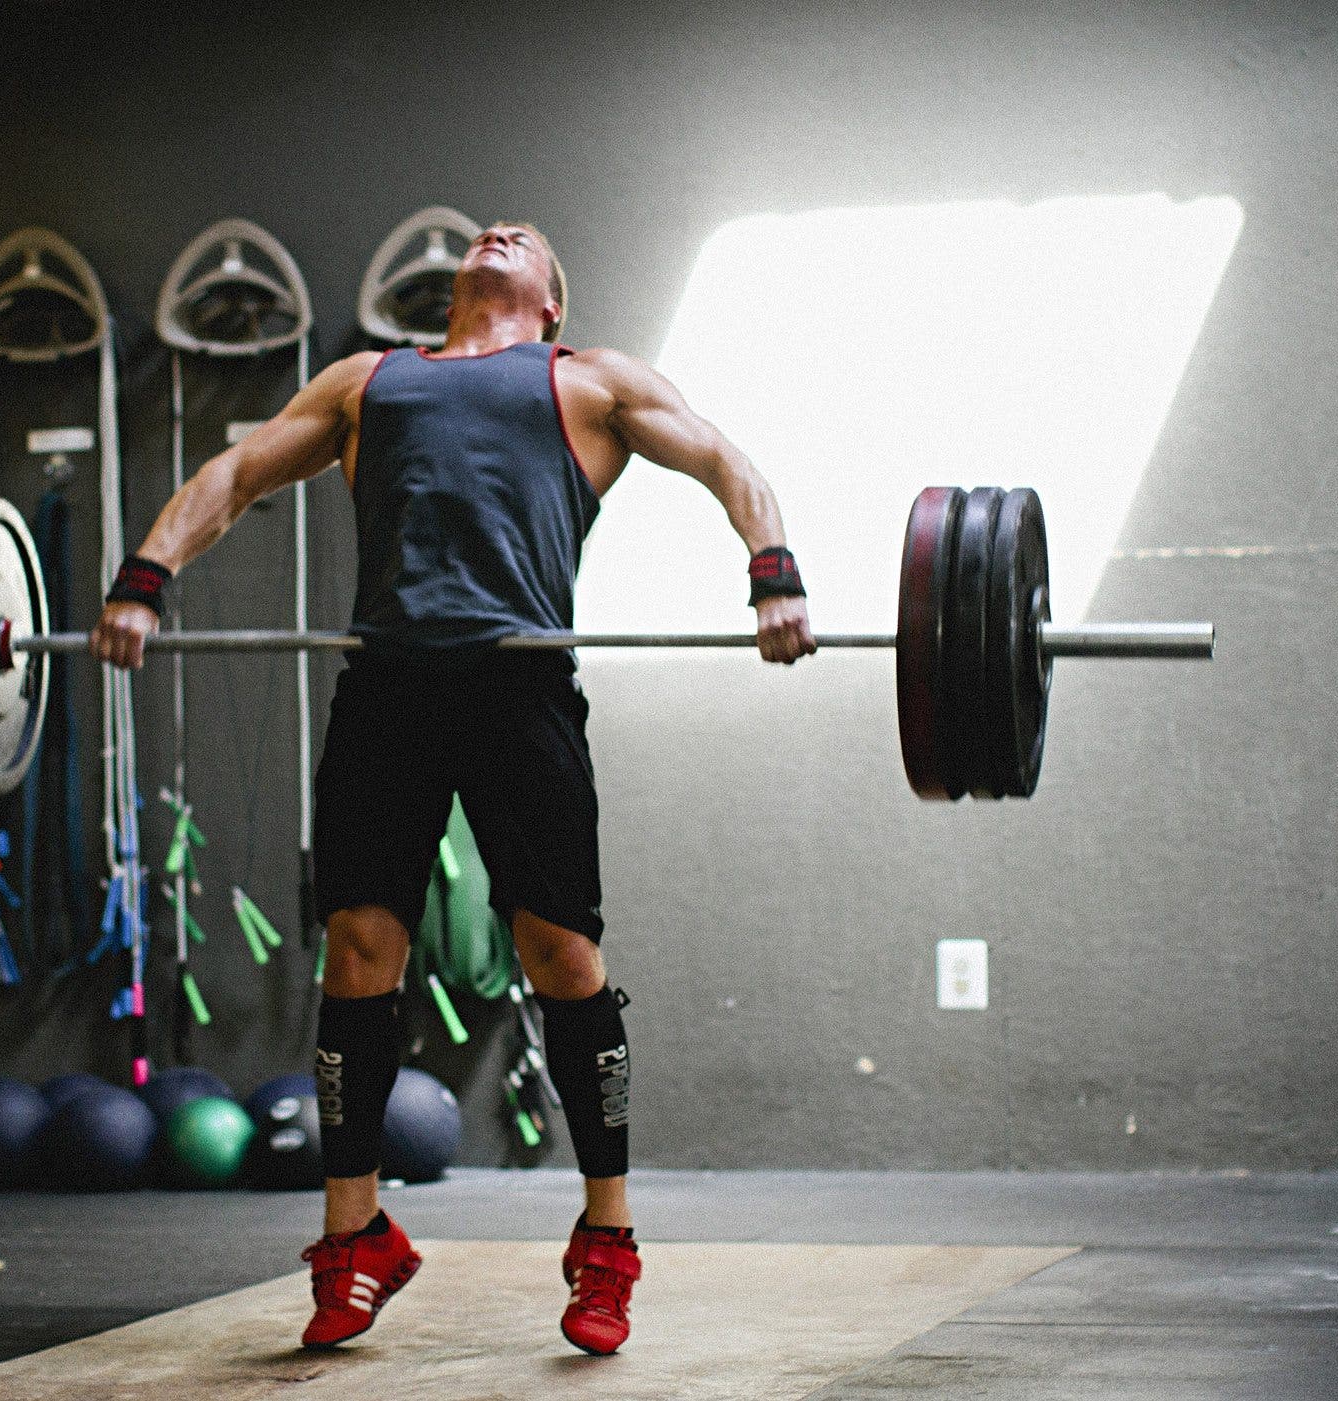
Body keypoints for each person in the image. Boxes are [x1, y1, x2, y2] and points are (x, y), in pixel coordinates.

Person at [91, 222, 814, 1355]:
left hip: (517, 686)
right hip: (386, 687)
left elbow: (726, 461)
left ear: (550, 303)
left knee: (559, 956)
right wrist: (143, 580)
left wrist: (771, 573)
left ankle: (606, 1240)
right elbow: (233, 473)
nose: (499, 232)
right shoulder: (366, 381)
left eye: (524, 239)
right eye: (490, 232)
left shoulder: (589, 380)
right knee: (357, 951)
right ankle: (354, 1237)